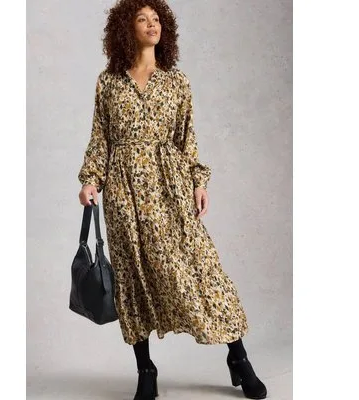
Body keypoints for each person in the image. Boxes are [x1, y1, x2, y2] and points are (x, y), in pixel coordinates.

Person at [77, 1, 267, 399]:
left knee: (201, 269)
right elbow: (100, 138)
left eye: (157, 19)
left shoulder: (177, 81)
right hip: (124, 195)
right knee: (133, 278)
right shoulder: (108, 82)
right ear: (126, 29)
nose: (152, 25)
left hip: (170, 187)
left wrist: (198, 181)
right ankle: (145, 369)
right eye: (142, 19)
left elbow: (186, 138)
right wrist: (91, 180)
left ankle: (239, 357)